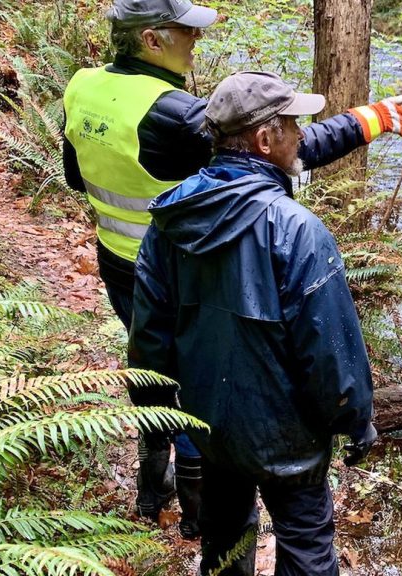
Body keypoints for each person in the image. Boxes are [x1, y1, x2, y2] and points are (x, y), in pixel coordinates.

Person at [61, 0, 402, 537]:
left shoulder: (83, 87)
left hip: (120, 257)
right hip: (185, 264)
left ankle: (154, 488)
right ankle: (199, 510)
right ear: (151, 39)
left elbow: (72, 177)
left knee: (151, 369)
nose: (195, 42)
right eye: (185, 32)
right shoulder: (174, 112)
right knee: (199, 380)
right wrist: (368, 120)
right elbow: (276, 151)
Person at [128, 71, 376, 576]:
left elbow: (149, 338)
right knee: (306, 548)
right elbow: (330, 353)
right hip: (291, 443)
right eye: (292, 124)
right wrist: (356, 421)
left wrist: (160, 413)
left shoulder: (169, 221)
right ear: (266, 140)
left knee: (224, 542)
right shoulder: (297, 230)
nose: (302, 135)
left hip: (210, 427)